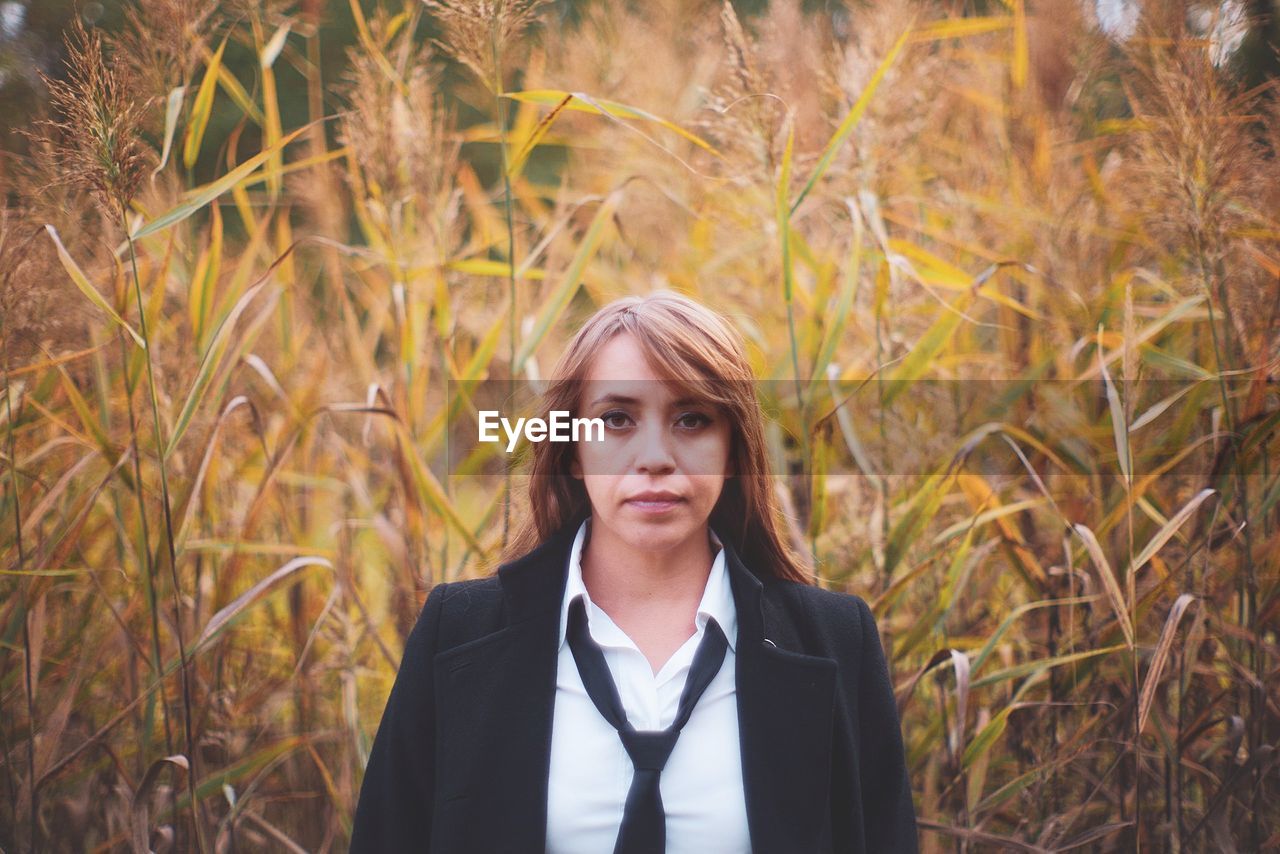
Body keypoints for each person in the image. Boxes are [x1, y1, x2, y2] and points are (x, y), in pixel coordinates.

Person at [349, 292, 917, 853]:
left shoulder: (837, 641)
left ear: (733, 450)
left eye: (692, 419)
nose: (654, 456)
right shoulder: (460, 632)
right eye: (616, 419)